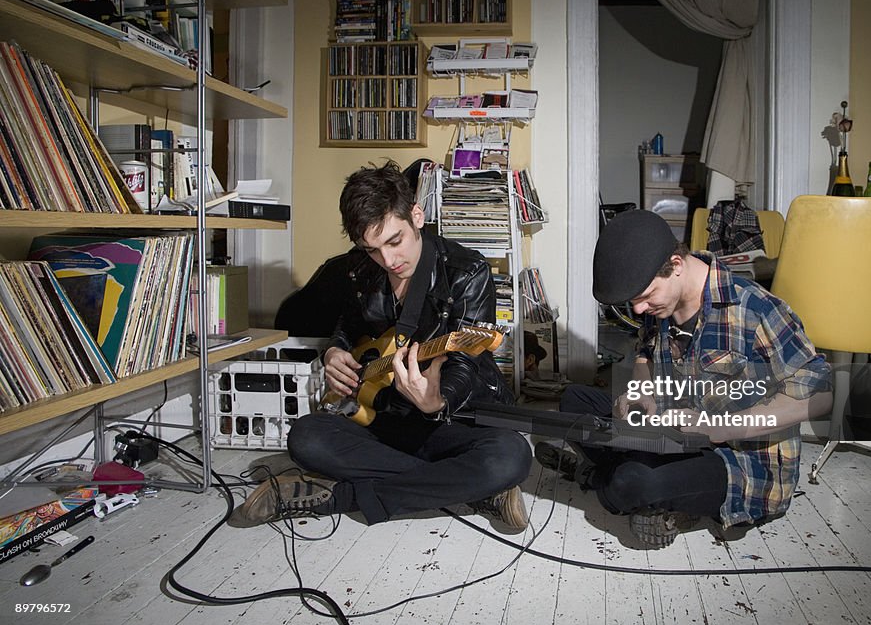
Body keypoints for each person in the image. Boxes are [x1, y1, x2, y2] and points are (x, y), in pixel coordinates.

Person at [229, 161, 532, 531]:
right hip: (384, 418)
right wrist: (335, 350)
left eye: (394, 241)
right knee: (306, 437)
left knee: (510, 458)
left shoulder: (468, 271)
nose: (388, 260)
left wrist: (437, 401)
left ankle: (339, 497)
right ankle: (474, 490)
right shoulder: (361, 269)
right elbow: (349, 324)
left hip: (450, 420)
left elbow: (465, 365)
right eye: (372, 249)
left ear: (416, 217)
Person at [535, 210, 832, 548]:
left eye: (646, 296)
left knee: (629, 484)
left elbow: (821, 395)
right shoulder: (659, 306)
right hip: (671, 433)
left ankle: (596, 475)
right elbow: (644, 355)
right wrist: (641, 391)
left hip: (737, 460)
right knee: (574, 401)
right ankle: (648, 484)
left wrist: (716, 428)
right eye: (634, 302)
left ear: (676, 265)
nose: (639, 310)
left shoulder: (755, 308)